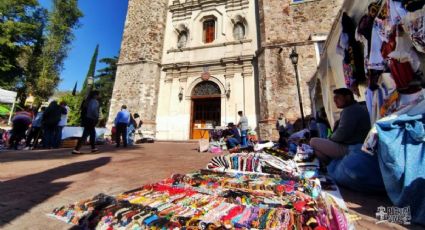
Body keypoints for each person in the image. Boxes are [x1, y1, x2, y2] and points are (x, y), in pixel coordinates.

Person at [310, 88, 371, 164]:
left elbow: (342, 134)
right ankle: (332, 165)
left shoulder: (350, 110)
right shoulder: (358, 107)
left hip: (351, 148)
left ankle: (330, 165)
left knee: (313, 141)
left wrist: (330, 138)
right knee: (316, 149)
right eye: (334, 98)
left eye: (338, 98)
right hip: (357, 145)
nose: (335, 101)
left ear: (348, 97)